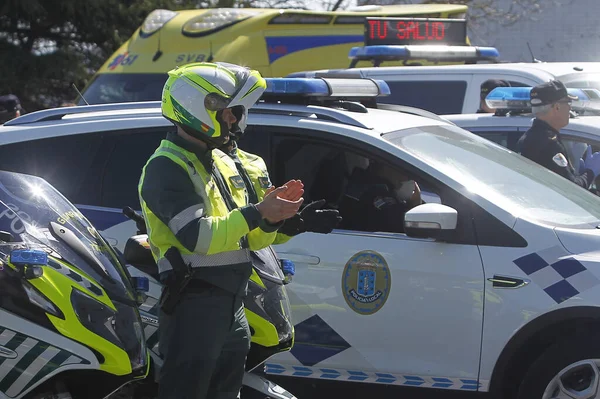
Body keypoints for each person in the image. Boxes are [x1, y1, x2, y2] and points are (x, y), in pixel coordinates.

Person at [138, 62, 303, 399]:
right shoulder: (166, 166)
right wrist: (258, 212)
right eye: (226, 111)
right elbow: (199, 238)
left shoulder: (221, 161)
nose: (233, 119)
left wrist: (273, 218)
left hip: (233, 304)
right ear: (197, 108)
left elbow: (251, 241)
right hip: (194, 306)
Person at [219, 134, 342, 243]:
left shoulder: (255, 162)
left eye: (239, 112)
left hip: (254, 265)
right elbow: (216, 232)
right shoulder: (205, 165)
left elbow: (260, 239)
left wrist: (287, 223)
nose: (232, 118)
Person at [518, 80, 600, 189]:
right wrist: (590, 172)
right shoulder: (548, 143)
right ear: (557, 107)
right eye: (568, 103)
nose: (570, 108)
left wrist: (579, 174)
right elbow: (572, 189)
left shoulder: (533, 136)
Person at [337, 156, 422, 233]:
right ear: (387, 167)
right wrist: (414, 206)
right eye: (404, 171)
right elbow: (400, 225)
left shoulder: (368, 185)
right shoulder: (374, 193)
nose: (408, 179)